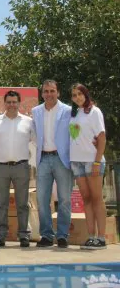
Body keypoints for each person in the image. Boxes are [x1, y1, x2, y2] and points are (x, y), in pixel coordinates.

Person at [0, 90, 35, 248]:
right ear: (4, 103)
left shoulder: (28, 122)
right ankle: (0, 236)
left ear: (19, 103)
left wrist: (33, 163)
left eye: (14, 102)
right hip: (1, 167)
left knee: (22, 203)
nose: (12, 105)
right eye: (9, 102)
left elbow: (35, 143)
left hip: (21, 166)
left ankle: (24, 236)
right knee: (1, 203)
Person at [32, 80, 73, 248]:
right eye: (46, 91)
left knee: (64, 199)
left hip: (62, 159)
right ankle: (47, 235)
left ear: (58, 92)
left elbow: (75, 134)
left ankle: (62, 235)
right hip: (43, 159)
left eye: (52, 91)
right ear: (42, 94)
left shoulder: (69, 111)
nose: (49, 94)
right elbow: (34, 135)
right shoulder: (36, 111)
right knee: (42, 199)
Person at [69, 84, 107, 250]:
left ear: (86, 94)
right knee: (86, 200)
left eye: (80, 94)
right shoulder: (75, 114)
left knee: (97, 198)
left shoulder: (94, 112)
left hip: (92, 161)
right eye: (74, 95)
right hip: (76, 162)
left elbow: (102, 138)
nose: (78, 97)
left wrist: (97, 162)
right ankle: (91, 236)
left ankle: (102, 237)